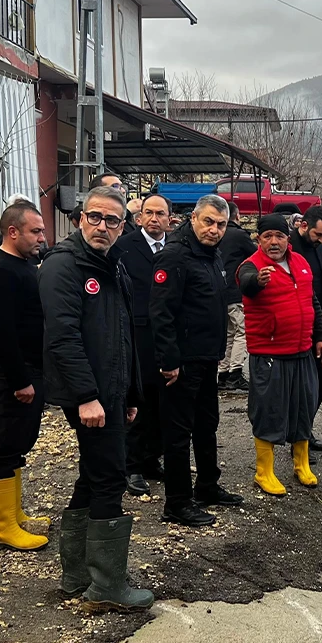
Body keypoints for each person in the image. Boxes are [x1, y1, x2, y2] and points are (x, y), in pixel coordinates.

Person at [39, 186, 152, 612]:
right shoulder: (63, 266)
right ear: (80, 219)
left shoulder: (112, 265)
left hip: (112, 391)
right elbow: (62, 337)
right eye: (95, 217)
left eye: (112, 220)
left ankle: (77, 575)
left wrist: (130, 392)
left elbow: (124, 334)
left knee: (92, 474)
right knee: (109, 476)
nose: (102, 226)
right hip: (90, 395)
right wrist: (87, 396)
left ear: (123, 226)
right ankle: (106, 586)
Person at [150, 194, 244, 527]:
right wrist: (169, 360)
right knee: (178, 433)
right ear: (193, 218)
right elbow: (161, 312)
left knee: (207, 425)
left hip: (207, 358)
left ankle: (207, 486)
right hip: (182, 362)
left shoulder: (212, 255)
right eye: (208, 222)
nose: (214, 229)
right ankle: (176, 502)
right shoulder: (175, 256)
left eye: (221, 224)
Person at [237, 215, 322, 495]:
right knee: (268, 412)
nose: (274, 242)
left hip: (301, 351)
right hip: (270, 355)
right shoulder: (251, 266)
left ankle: (302, 464)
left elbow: (312, 302)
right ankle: (263, 472)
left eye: (279, 236)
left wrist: (320, 337)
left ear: (288, 238)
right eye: (267, 236)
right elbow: (246, 284)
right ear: (259, 239)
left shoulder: (300, 262)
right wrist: (258, 281)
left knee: (303, 409)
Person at [0, 201, 50, 552]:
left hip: (28, 368)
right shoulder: (0, 270)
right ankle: (4, 526)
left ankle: (15, 513)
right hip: (10, 372)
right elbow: (1, 332)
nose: (42, 237)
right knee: (6, 445)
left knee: (19, 441)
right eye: (35, 231)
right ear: (13, 232)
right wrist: (20, 380)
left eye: (42, 230)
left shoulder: (23, 265)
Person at [112, 192, 172, 498]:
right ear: (139, 217)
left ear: (170, 219)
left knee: (164, 401)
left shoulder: (174, 248)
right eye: (149, 213)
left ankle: (151, 458)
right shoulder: (124, 247)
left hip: (167, 335)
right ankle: (131, 465)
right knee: (138, 399)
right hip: (137, 335)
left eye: (160, 214)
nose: (154, 219)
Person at [290, 206, 322, 417]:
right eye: (318, 234)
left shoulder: (320, 248)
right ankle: (296, 426)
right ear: (303, 225)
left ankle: (305, 423)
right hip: (296, 323)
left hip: (319, 322)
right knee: (297, 380)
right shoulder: (288, 248)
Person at [217, 202, 256, 392]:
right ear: (238, 215)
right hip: (235, 290)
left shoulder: (218, 234)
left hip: (219, 291)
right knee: (242, 331)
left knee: (229, 333)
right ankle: (235, 373)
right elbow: (256, 256)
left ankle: (223, 373)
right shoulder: (240, 236)